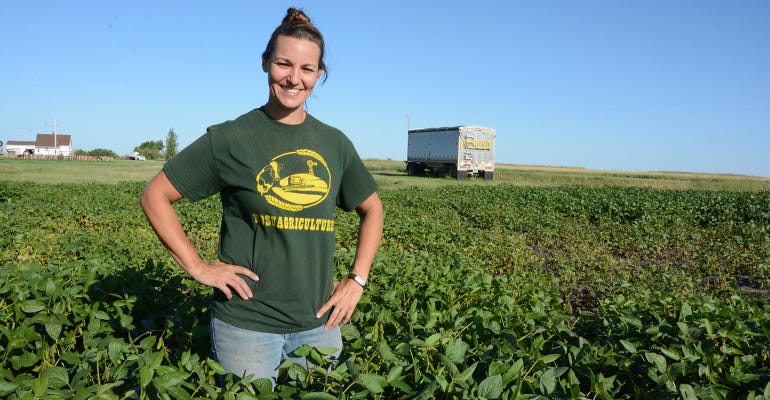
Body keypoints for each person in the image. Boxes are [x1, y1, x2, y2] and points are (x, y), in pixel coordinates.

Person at [139, 7, 383, 386]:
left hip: (319, 324)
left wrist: (357, 281)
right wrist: (197, 267)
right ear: (265, 62)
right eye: (283, 64)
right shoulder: (232, 138)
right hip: (246, 327)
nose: (294, 78)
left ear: (319, 75)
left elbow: (373, 209)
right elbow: (155, 195)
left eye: (306, 69)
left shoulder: (335, 144)